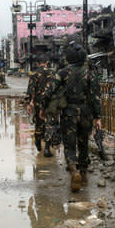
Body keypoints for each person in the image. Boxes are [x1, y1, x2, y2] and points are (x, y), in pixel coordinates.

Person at [41, 42, 101, 192]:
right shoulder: (90, 73)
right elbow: (95, 97)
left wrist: (43, 107)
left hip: (69, 113)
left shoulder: (62, 72)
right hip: (86, 112)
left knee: (69, 145)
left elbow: (49, 91)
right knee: (83, 142)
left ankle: (74, 171)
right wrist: (97, 116)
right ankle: (84, 174)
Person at [24, 53, 56, 157]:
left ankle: (38, 142)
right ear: (47, 63)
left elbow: (30, 90)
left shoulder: (34, 74)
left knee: (39, 123)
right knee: (49, 124)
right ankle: (47, 147)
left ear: (37, 64)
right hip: (51, 103)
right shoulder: (54, 73)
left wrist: (29, 104)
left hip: (38, 103)